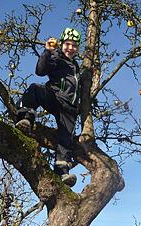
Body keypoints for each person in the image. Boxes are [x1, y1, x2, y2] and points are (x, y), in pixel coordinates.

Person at [16, 27, 82, 187]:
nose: (70, 48)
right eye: (67, 44)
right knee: (35, 89)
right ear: (62, 44)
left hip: (70, 108)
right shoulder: (57, 57)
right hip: (54, 97)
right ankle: (26, 119)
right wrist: (47, 52)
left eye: (74, 45)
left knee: (66, 139)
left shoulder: (77, 66)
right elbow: (40, 70)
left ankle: (62, 171)